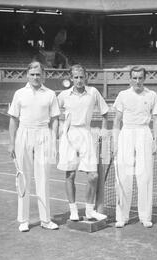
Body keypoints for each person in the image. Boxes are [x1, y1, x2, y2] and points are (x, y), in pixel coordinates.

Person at [8, 61, 60, 232]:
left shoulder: (51, 94)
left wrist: (53, 140)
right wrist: (11, 143)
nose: (36, 77)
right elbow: (13, 119)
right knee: (23, 178)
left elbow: (55, 120)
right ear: (27, 75)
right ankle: (24, 220)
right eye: (32, 74)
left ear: (43, 75)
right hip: (23, 134)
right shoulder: (19, 93)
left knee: (43, 178)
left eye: (38, 74)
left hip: (44, 134)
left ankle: (45, 220)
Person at [57, 64, 109, 221]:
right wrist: (60, 128)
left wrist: (104, 129)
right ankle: (73, 211)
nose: (79, 80)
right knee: (70, 174)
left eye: (81, 77)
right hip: (69, 135)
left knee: (93, 176)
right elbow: (53, 112)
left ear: (86, 77)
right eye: (76, 77)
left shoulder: (93, 92)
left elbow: (105, 112)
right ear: (71, 78)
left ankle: (89, 211)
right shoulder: (63, 95)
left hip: (86, 134)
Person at [112, 66, 157, 228]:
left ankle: (145, 216)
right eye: (134, 78)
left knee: (145, 176)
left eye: (140, 78)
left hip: (144, 134)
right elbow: (117, 121)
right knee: (124, 177)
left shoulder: (152, 95)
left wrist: (156, 142)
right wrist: (115, 142)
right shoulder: (123, 95)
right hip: (126, 134)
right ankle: (122, 216)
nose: (137, 81)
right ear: (130, 79)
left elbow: (155, 120)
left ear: (144, 78)